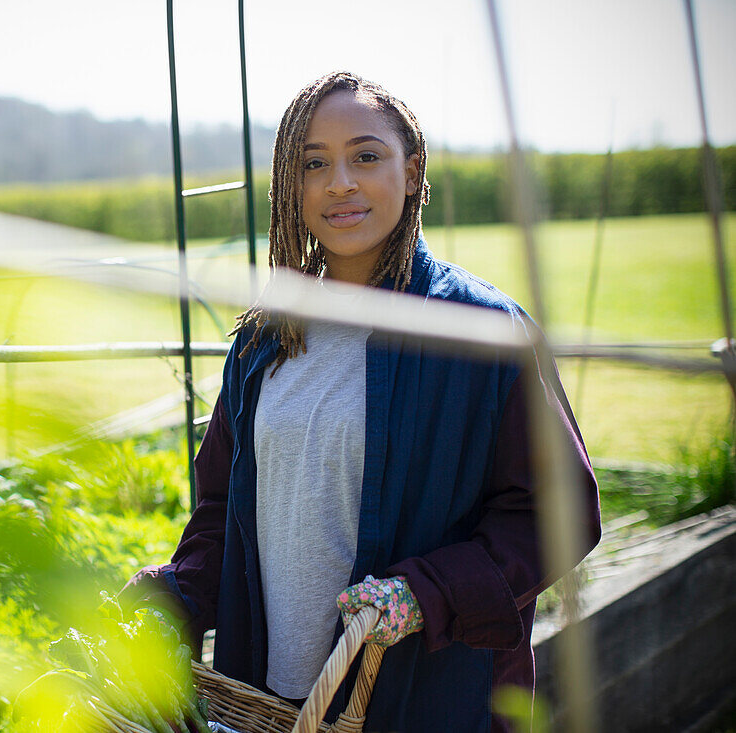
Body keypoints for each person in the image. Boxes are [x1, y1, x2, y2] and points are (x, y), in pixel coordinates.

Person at [120, 71, 601, 732]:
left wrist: (425, 592)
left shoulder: (480, 329)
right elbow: (222, 510)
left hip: (426, 699)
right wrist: (171, 596)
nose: (339, 181)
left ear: (412, 172)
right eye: (314, 163)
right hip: (270, 700)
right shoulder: (265, 337)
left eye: (366, 156)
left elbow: (556, 509)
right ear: (292, 186)